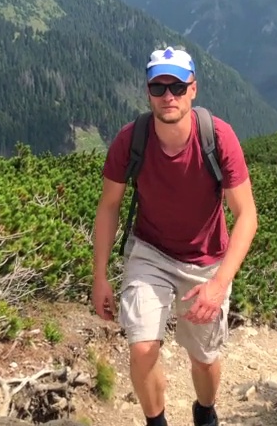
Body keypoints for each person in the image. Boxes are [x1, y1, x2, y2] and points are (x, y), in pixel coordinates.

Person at [91, 46, 259, 426]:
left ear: (193, 89)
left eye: (178, 86)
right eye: (159, 86)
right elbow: (109, 206)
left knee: (204, 359)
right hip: (150, 252)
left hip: (207, 261)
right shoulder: (130, 140)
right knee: (143, 346)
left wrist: (219, 284)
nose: (168, 95)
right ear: (148, 91)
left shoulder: (218, 138)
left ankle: (204, 411)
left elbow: (246, 214)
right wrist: (99, 275)